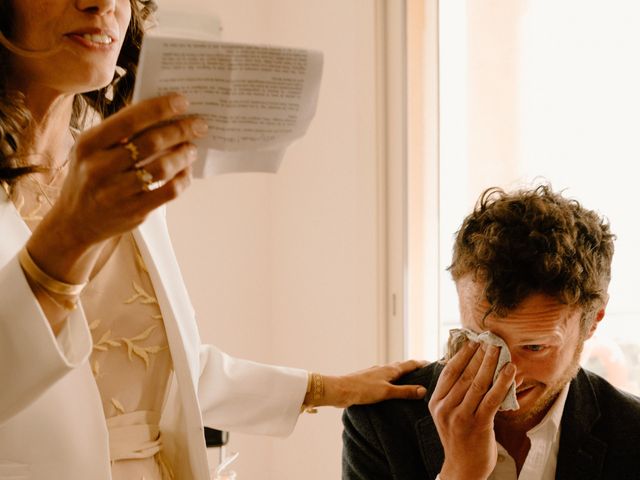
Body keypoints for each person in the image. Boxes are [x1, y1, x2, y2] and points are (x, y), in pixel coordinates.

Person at [0, 1, 428, 479]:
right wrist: (68, 240)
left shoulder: (116, 170)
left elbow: (172, 370)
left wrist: (328, 389)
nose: (100, 3)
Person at [342, 185, 640, 479]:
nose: (506, 377)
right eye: (484, 341)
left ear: (593, 322)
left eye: (534, 347)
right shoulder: (379, 423)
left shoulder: (632, 433)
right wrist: (460, 472)